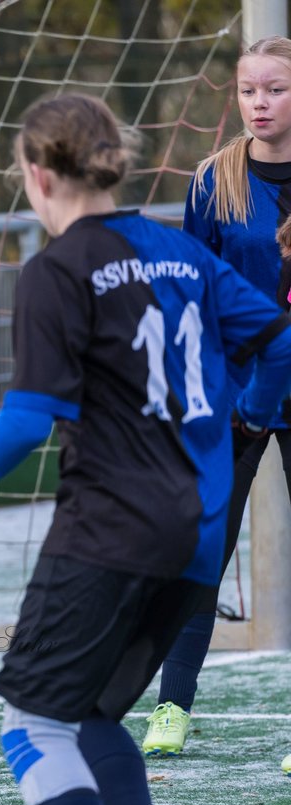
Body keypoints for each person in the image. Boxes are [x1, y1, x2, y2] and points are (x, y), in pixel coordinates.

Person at [0, 93, 291, 805]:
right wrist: (249, 413)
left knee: (31, 727)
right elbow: (279, 343)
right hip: (199, 537)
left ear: (38, 175)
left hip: (109, 530)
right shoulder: (183, 252)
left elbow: (24, 422)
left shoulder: (57, 271)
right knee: (92, 715)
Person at [141, 35, 291, 760]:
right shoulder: (215, 182)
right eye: (248, 91)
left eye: (276, 89)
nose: (260, 103)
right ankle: (173, 706)